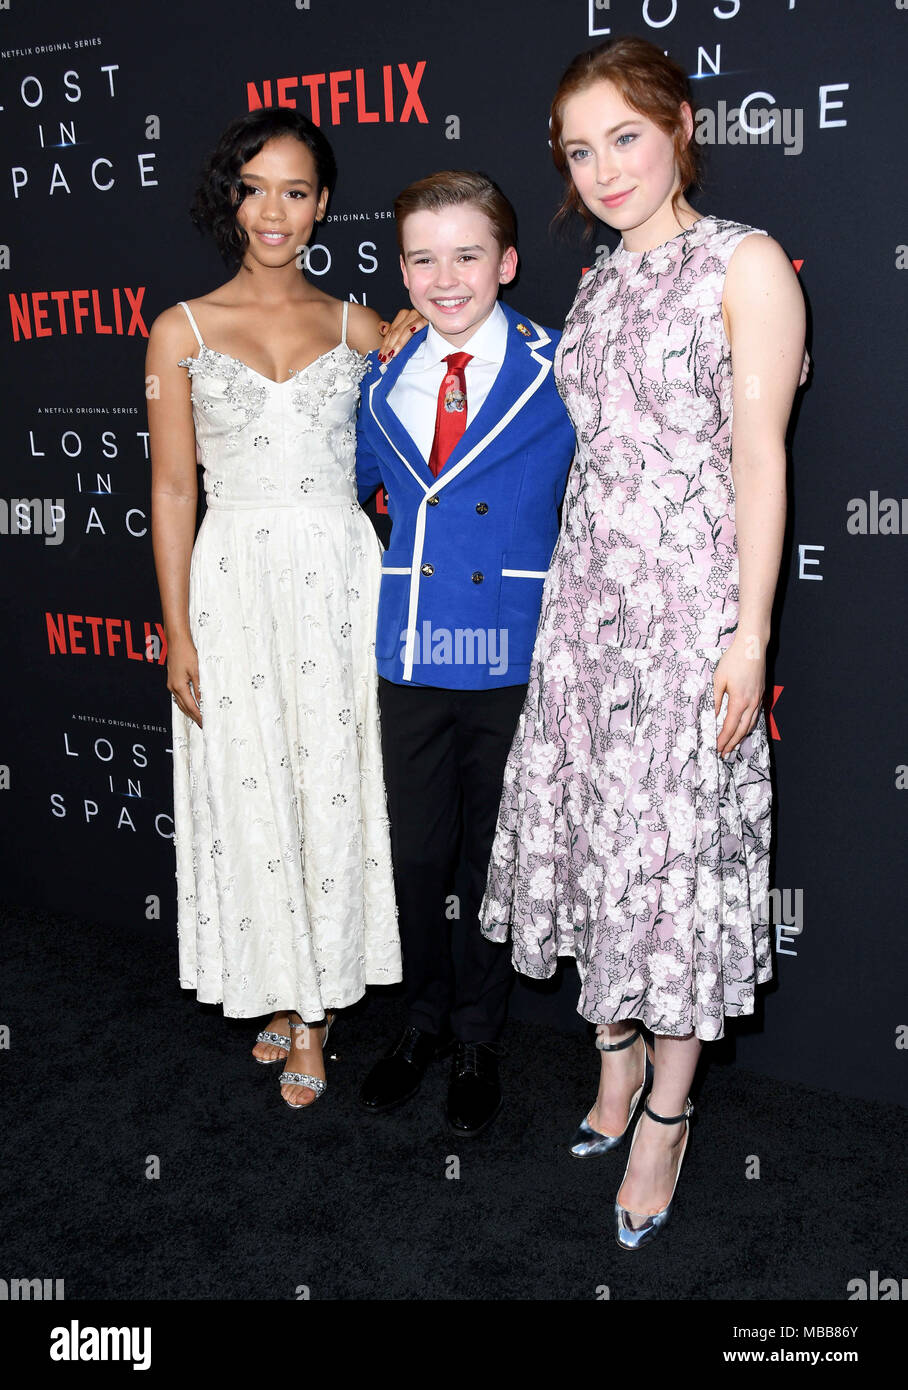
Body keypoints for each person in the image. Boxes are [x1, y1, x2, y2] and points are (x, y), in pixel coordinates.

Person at [479, 35, 805, 1245]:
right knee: (593, 843)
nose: (604, 167)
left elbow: (758, 457)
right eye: (579, 147)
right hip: (585, 610)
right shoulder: (600, 278)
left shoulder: (746, 263)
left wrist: (748, 635)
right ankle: (611, 1065)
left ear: (679, 127)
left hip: (686, 618)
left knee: (666, 863)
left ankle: (666, 1115)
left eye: (625, 135)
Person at [147, 107, 402, 1110]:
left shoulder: (363, 326)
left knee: (331, 780)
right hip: (233, 580)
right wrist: (176, 628)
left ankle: (313, 1012)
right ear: (231, 198)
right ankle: (284, 985)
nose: (273, 210)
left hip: (341, 577)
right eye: (254, 187)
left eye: (294, 191)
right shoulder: (183, 328)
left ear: (322, 205)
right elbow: (173, 491)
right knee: (253, 782)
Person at [355, 171, 577, 1135]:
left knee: (491, 862)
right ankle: (424, 1018)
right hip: (410, 649)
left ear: (508, 262)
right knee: (416, 857)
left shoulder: (560, 363)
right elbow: (370, 491)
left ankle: (479, 1034)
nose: (446, 278)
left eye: (468, 254)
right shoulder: (383, 374)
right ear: (402, 266)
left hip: (511, 654)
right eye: (422, 257)